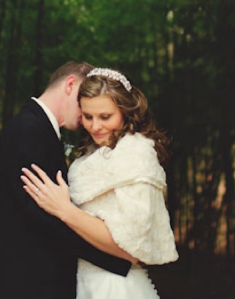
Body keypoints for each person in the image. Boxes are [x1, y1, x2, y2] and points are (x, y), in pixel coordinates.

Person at [21, 67, 178, 299]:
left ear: (126, 111)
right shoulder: (92, 154)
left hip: (114, 285)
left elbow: (131, 249)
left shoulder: (136, 152)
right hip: (81, 281)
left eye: (105, 117)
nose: (95, 127)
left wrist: (64, 210)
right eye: (88, 116)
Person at [0, 62, 133, 299]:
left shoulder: (37, 128)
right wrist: (116, 256)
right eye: (84, 101)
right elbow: (46, 218)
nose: (88, 114)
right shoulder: (29, 131)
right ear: (71, 84)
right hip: (28, 284)